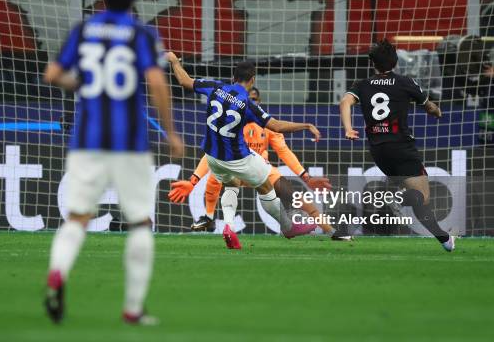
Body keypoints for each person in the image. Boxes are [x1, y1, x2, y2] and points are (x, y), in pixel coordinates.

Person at [42, 0, 184, 325]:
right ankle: (133, 310)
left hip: (86, 139)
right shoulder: (141, 33)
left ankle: (58, 273)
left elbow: (52, 75)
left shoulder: (83, 30)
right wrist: (171, 132)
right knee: (139, 222)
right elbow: (155, 82)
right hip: (129, 142)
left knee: (76, 218)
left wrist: (84, 86)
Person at [168, 52, 320, 249]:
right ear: (252, 80)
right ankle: (288, 227)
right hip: (237, 158)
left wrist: (173, 60)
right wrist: (306, 125)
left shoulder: (215, 87)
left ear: (233, 77)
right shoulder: (248, 104)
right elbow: (277, 126)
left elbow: (184, 81)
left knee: (231, 184)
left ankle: (229, 227)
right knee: (266, 186)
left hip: (213, 157)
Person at [169, 87, 351, 241]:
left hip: (257, 169)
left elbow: (284, 151)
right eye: (249, 99)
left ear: (259, 101)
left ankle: (332, 232)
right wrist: (193, 181)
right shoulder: (233, 121)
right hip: (236, 166)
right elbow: (211, 154)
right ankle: (209, 217)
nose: (252, 102)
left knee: (293, 194)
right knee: (218, 175)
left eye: (255, 99)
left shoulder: (265, 124)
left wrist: (306, 177)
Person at [339, 39, 456, 252]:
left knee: (417, 197)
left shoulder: (362, 85)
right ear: (394, 62)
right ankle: (393, 198)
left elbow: (345, 102)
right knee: (422, 198)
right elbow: (429, 106)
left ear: (372, 63)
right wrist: (436, 111)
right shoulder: (405, 82)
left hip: (378, 150)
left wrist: (348, 128)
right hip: (402, 147)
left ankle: (445, 240)